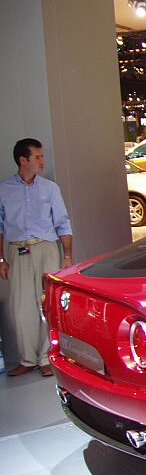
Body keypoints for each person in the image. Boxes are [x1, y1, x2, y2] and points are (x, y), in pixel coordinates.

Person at [0, 138, 73, 377]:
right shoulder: (4, 189)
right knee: (20, 308)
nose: (43, 161)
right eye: (38, 157)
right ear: (23, 160)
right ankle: (26, 359)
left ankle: (45, 357)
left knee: (46, 303)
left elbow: (62, 222)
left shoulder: (50, 188)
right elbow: (0, 226)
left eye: (42, 156)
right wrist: (2, 259)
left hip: (46, 248)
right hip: (17, 249)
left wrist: (67, 255)